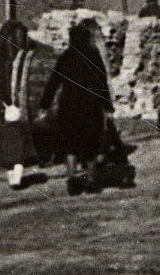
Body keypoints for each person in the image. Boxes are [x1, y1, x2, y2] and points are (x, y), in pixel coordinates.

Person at [40, 19, 115, 195]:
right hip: (91, 107)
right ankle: (90, 179)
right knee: (91, 144)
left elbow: (53, 82)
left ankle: (72, 177)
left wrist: (45, 103)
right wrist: (107, 105)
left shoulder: (66, 56)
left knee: (70, 144)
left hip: (69, 107)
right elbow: (101, 81)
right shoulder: (93, 55)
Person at [0, 18, 36, 189]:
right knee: (14, 141)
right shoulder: (4, 62)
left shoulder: (14, 58)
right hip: (9, 108)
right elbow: (0, 83)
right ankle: (15, 174)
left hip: (13, 108)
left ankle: (15, 175)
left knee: (14, 142)